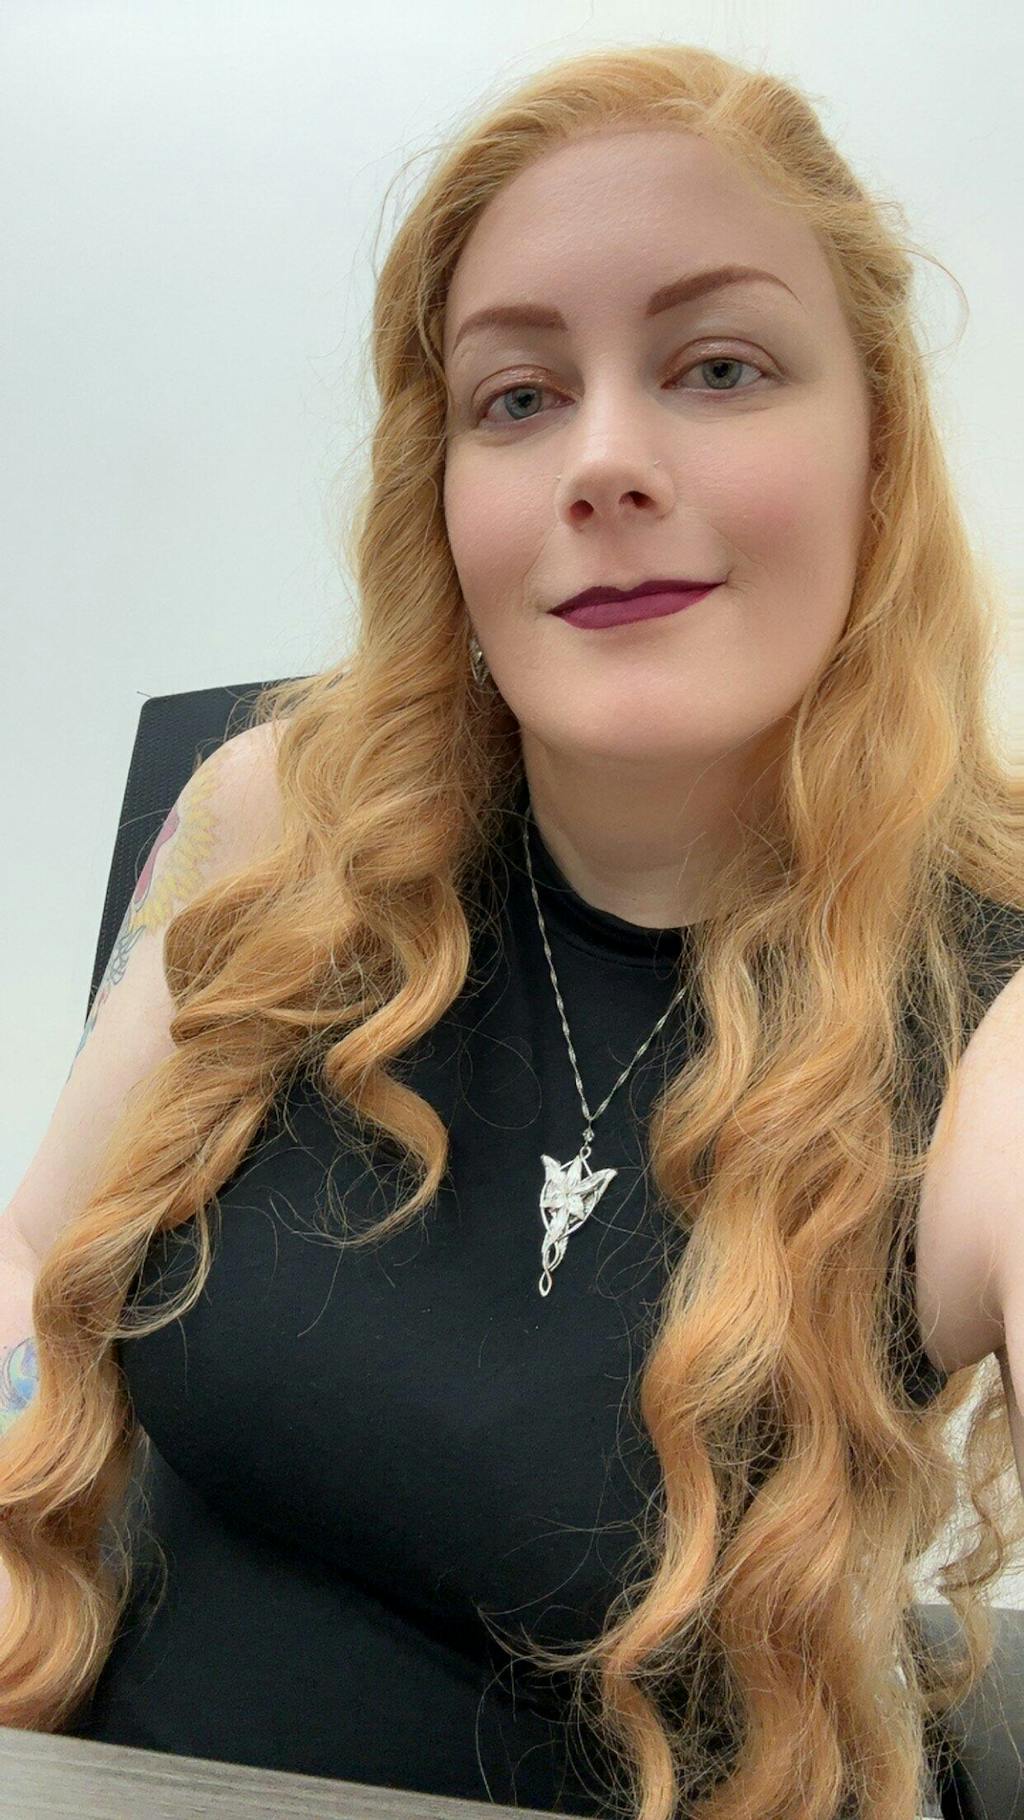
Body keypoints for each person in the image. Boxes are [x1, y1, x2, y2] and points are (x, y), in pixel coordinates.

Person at [2, 42, 1023, 1820]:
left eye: (720, 367)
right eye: (521, 396)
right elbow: (33, 1262)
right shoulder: (270, 818)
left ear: (877, 440)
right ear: (445, 485)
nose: (605, 461)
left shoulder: (990, 1014)